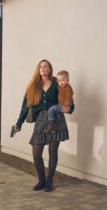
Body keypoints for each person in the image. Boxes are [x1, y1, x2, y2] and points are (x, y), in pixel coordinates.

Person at [14, 59, 73, 192]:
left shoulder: (57, 83)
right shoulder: (33, 86)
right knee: (36, 153)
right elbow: (25, 107)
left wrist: (69, 108)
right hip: (41, 120)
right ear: (38, 70)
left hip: (57, 119)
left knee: (53, 151)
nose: (43, 68)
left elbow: (67, 96)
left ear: (50, 69)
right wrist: (19, 124)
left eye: (45, 66)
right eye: (40, 67)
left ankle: (50, 181)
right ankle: (41, 180)